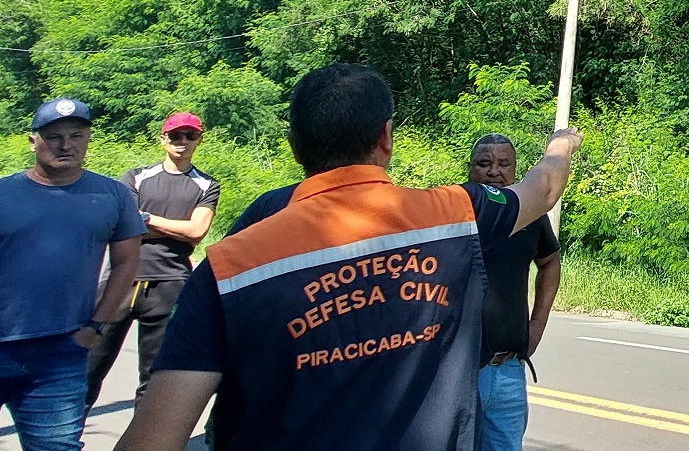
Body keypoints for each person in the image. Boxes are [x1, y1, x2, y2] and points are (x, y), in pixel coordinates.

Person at [116, 64, 579, 451]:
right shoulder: (454, 215)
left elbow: (155, 437)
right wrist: (561, 145)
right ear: (386, 137)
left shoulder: (226, 269)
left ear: (295, 145)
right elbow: (543, 189)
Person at [0, 99, 145, 451]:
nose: (66, 145)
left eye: (76, 135)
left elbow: (127, 263)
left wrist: (96, 326)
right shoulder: (5, 193)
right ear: (33, 140)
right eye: (54, 137)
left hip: (61, 352)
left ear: (88, 138)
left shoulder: (113, 195)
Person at [85, 111, 221, 408]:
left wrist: (147, 218)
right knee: (88, 367)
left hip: (170, 283)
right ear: (163, 139)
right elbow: (125, 225)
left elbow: (197, 230)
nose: (182, 142)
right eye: (175, 135)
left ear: (199, 140)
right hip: (122, 278)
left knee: (154, 377)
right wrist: (173, 228)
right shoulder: (136, 177)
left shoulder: (207, 185)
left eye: (190, 135)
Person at [468, 134, 562, 451]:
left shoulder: (530, 216)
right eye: (484, 163)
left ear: (515, 169)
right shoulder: (457, 213)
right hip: (461, 370)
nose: (494, 171)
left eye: (503, 164)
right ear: (470, 168)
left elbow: (549, 261)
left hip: (509, 370)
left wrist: (536, 326)